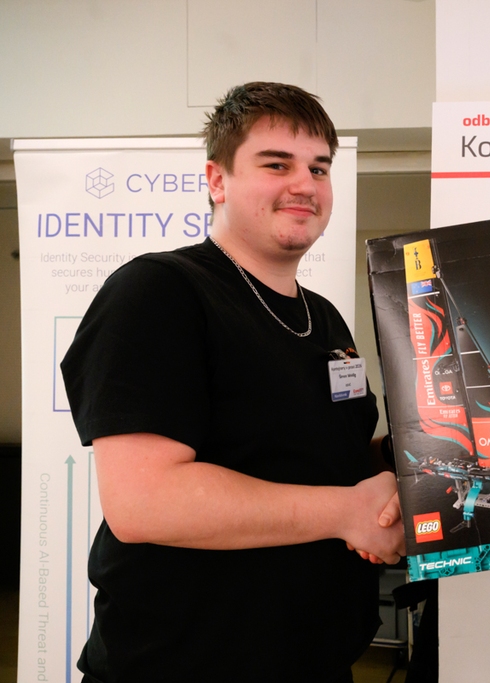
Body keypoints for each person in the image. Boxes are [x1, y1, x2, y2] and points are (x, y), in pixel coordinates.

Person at [61, 82, 405, 683]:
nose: (305, 184)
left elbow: (326, 455)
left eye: (318, 168)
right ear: (217, 180)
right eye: (277, 164)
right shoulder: (159, 292)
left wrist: (415, 458)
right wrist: (348, 511)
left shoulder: (323, 317)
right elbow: (144, 501)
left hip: (315, 659)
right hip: (182, 664)